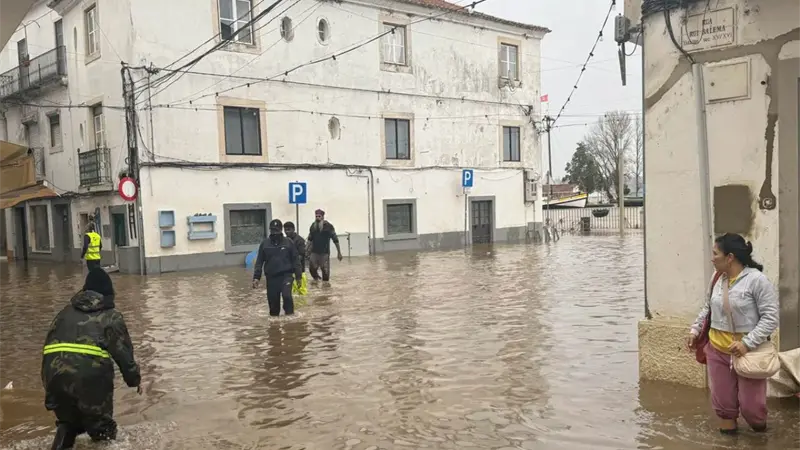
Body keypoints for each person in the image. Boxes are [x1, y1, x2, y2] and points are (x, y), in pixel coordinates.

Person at [687, 233, 779, 435]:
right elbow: (707, 307)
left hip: (748, 353)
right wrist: (695, 330)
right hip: (717, 350)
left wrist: (747, 343)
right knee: (724, 408)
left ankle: (761, 438)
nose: (712, 258)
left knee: (752, 408)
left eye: (715, 253)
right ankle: (727, 443)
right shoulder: (717, 278)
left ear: (729, 257)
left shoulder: (757, 280)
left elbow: (771, 317)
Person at [42, 268, 141, 450]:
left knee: (68, 424)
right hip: (90, 382)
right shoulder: (111, 317)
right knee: (103, 432)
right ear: (108, 294)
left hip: (54, 379)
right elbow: (124, 356)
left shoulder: (63, 314)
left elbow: (48, 351)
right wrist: (134, 380)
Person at [252, 219, 303, 316]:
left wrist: (298, 277)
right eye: (272, 230)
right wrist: (256, 277)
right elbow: (259, 262)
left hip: (286, 275)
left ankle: (290, 318)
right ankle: (275, 327)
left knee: (287, 296)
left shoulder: (288, 243)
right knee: (274, 308)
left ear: (281, 230)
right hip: (271, 278)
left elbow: (296, 260)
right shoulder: (265, 244)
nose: (274, 233)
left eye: (276, 230)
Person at [306, 209, 342, 282]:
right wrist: (306, 250)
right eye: (316, 216)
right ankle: (317, 283)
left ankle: (325, 287)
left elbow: (335, 240)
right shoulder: (313, 226)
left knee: (325, 273)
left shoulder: (328, 226)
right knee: (312, 269)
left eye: (319, 216)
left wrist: (339, 252)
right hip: (314, 252)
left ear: (323, 217)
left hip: (324, 253)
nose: (317, 218)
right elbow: (309, 239)